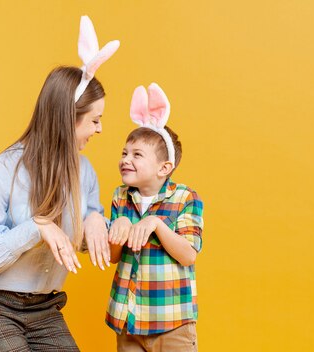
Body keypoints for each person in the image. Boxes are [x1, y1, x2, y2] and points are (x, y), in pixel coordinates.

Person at [0, 16, 119, 351]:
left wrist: (97, 220)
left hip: (42, 307)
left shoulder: (84, 172)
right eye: (95, 120)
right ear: (69, 119)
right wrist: (37, 227)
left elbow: (83, 234)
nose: (99, 130)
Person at [105, 83, 204, 351]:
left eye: (137, 154)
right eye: (124, 153)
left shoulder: (185, 198)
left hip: (171, 324)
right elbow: (114, 256)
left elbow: (188, 255)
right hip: (129, 321)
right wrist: (119, 225)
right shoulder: (120, 196)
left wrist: (156, 224)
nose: (126, 159)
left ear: (164, 167)